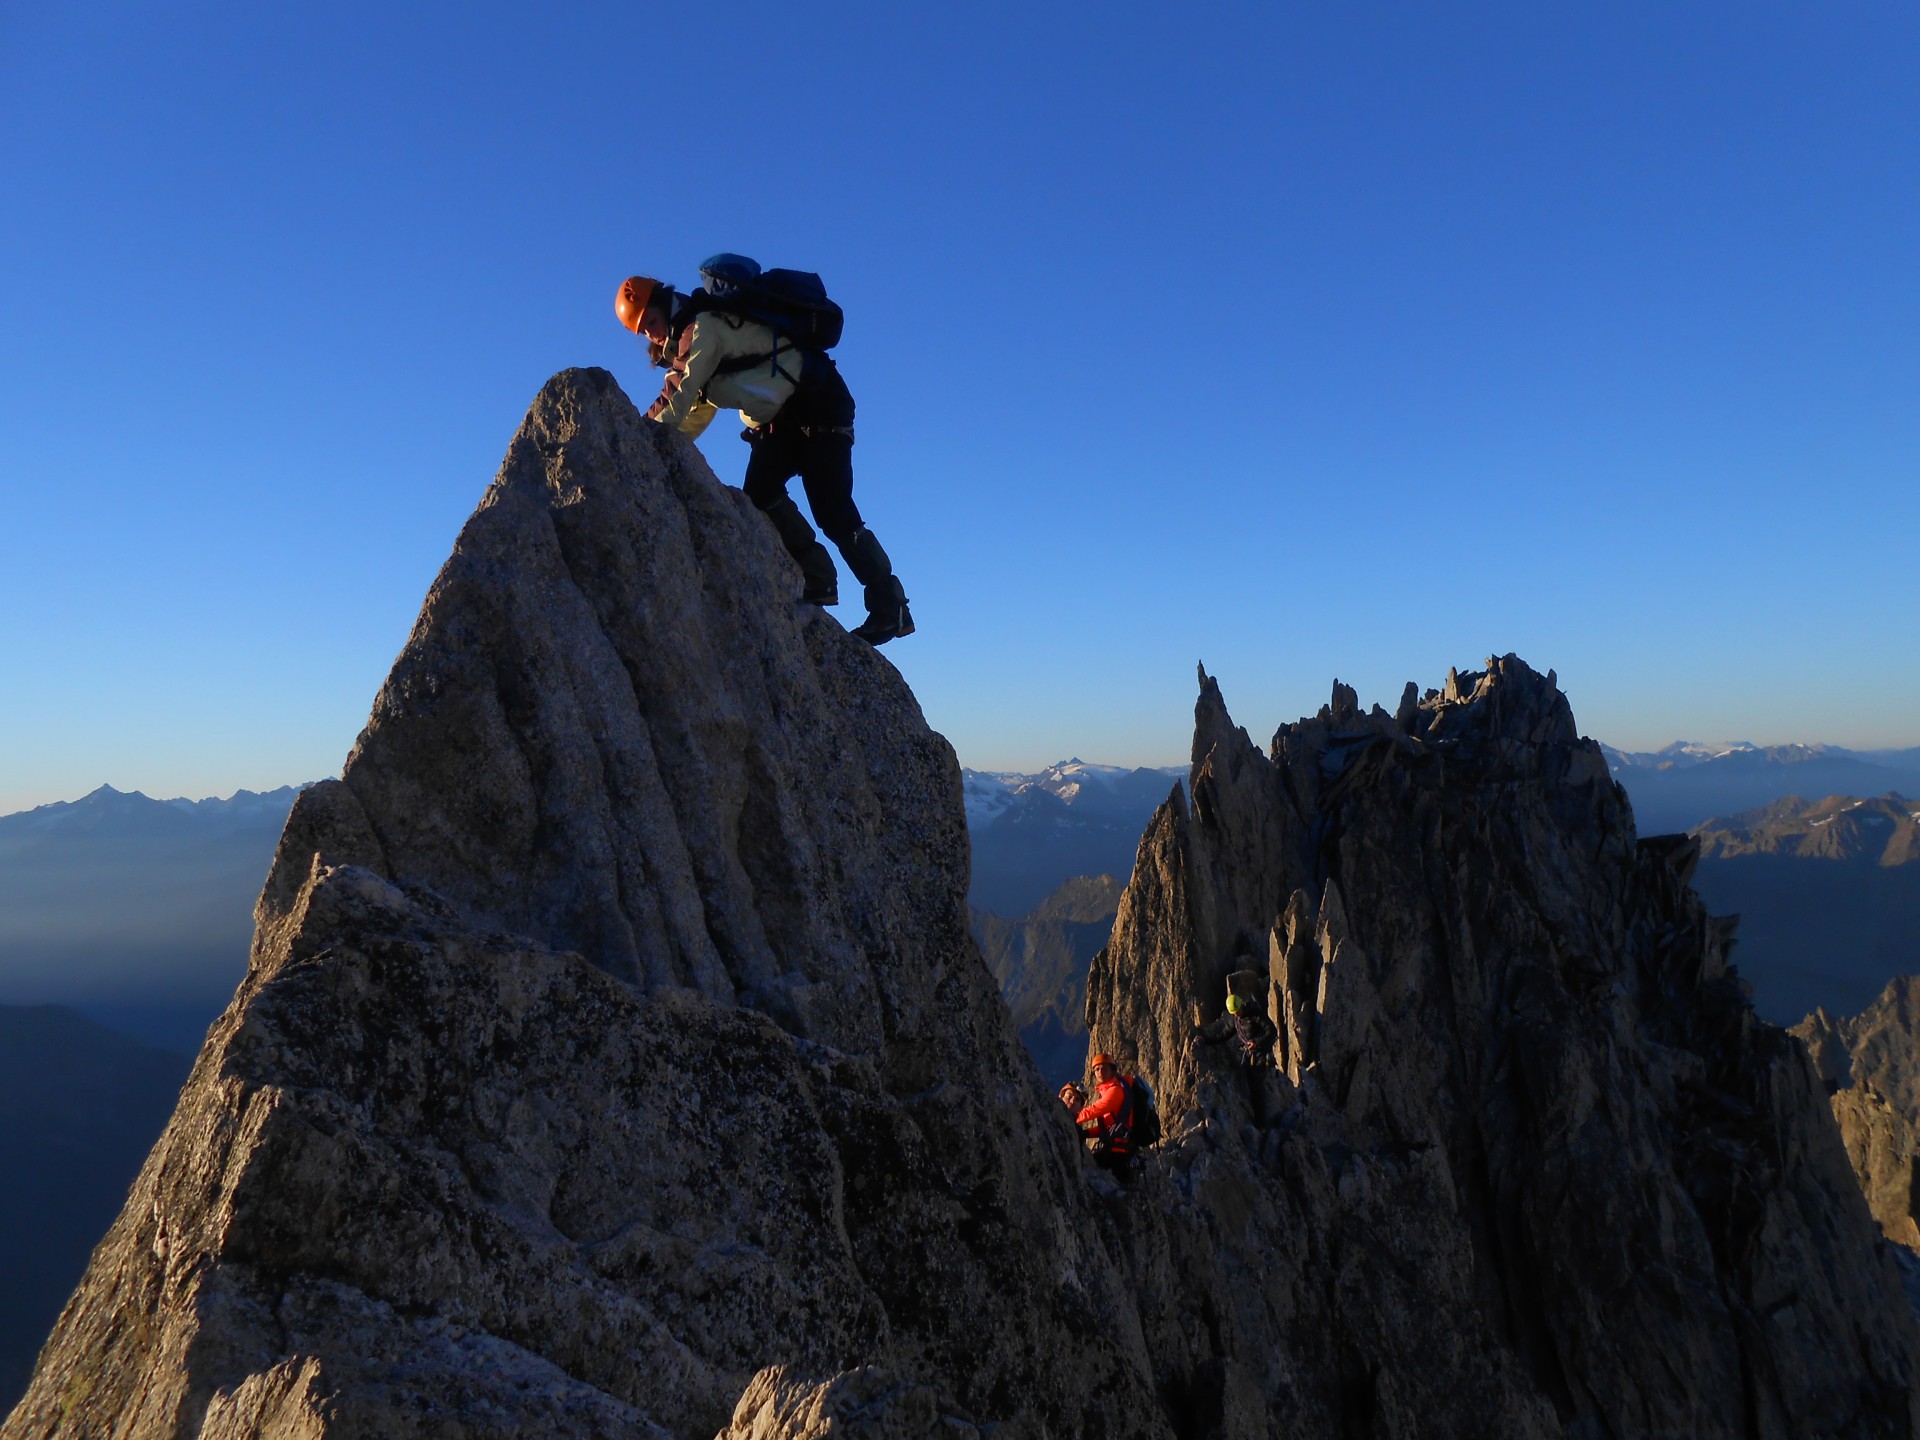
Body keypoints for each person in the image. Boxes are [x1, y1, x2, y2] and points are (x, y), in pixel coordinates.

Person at [613, 257, 914, 645]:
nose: (650, 335)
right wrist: (658, 448)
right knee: (760, 494)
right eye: (643, 333)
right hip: (784, 421)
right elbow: (693, 414)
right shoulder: (689, 343)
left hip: (819, 406)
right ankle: (817, 578)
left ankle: (891, 607)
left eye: (650, 323)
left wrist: (630, 439)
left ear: (663, 302)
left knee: (834, 513)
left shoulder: (702, 328)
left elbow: (679, 396)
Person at [1073, 1053, 1141, 1175]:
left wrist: (1073, 1117)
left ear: (1112, 1070)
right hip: (1118, 1149)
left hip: (1118, 1152)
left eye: (1103, 1068)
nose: (1099, 1072)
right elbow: (1109, 1127)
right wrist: (1087, 1133)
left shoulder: (1115, 1091)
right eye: (1096, 1069)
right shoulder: (1110, 1090)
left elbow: (1096, 1109)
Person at [1195, 991, 1278, 1068]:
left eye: (1237, 1011)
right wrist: (1206, 1040)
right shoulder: (1236, 1020)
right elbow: (1224, 1035)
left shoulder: (1254, 1014)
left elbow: (1271, 1030)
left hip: (1262, 1051)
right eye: (1234, 1013)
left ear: (1241, 1005)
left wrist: (1256, 1043)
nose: (1236, 1014)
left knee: (1259, 1069)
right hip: (1248, 1052)